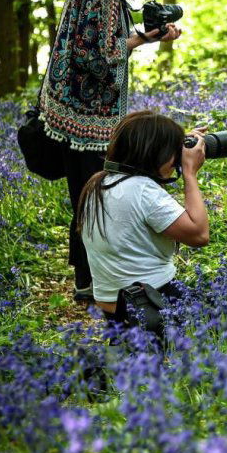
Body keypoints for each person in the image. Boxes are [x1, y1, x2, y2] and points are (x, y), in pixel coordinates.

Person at [39, 0, 183, 302]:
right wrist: (142, 40)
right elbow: (91, 55)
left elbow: (104, 44)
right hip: (83, 114)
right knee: (93, 197)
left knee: (89, 194)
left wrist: (149, 35)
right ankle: (91, 282)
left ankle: (90, 279)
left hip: (89, 111)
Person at [76, 111, 209, 328]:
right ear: (154, 154)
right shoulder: (142, 190)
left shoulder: (97, 183)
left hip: (111, 302)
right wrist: (189, 173)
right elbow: (199, 235)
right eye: (172, 152)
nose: (176, 159)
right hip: (149, 301)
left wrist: (172, 141)